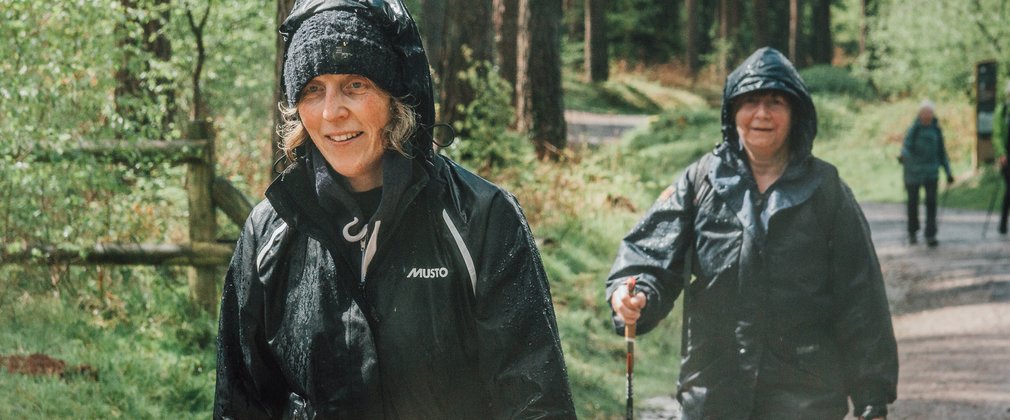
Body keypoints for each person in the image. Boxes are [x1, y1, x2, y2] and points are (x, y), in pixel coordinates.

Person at [214, 1, 576, 418]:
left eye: (355, 84)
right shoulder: (268, 232)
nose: (332, 112)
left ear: (397, 96)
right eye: (313, 89)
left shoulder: (480, 219)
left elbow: (534, 403)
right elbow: (240, 403)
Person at [604, 47, 898, 420]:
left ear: (796, 114)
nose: (762, 113)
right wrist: (633, 293)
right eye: (751, 101)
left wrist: (873, 394)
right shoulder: (701, 181)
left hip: (807, 398)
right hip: (713, 393)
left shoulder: (827, 190)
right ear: (732, 112)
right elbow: (649, 255)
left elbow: (862, 297)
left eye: (776, 101)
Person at [899, 100, 954, 246]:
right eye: (924, 113)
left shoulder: (936, 130)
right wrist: (903, 157)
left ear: (932, 114)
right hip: (914, 173)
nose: (926, 115)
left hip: (931, 173)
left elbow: (942, 153)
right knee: (913, 204)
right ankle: (912, 232)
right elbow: (906, 147)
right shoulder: (914, 129)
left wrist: (948, 172)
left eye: (929, 113)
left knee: (931, 203)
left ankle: (930, 235)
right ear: (919, 114)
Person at [994, 82, 1010, 234]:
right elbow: (997, 134)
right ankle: (1003, 223)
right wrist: (1001, 153)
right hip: (1007, 157)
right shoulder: (1003, 110)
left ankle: (1003, 224)